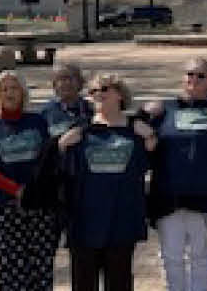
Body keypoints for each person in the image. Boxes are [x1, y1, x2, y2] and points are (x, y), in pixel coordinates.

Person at [58, 74, 156, 291]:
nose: (98, 94)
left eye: (104, 89)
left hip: (121, 221)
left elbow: (158, 162)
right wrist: (60, 147)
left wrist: (150, 139)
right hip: (84, 224)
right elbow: (57, 173)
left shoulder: (136, 131)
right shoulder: (78, 131)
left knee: (119, 283)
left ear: (120, 94)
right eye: (92, 91)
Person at [151, 57, 207, 291]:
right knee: (171, 257)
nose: (194, 79)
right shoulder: (165, 109)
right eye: (190, 74)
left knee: (201, 257)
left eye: (201, 75)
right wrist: (142, 115)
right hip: (170, 197)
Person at [0, 70, 64, 291]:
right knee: (11, 267)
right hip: (4, 208)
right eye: (4, 89)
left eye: (14, 88)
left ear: (23, 93)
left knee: (41, 265)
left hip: (39, 206)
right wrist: (15, 190)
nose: (10, 93)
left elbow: (48, 160)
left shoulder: (37, 122)